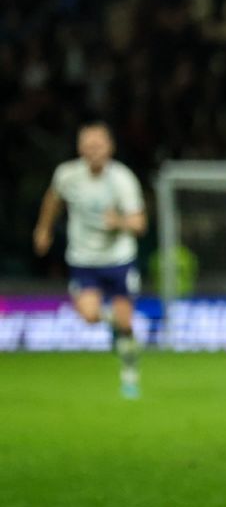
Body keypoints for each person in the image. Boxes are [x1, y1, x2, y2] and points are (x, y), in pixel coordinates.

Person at [33, 123, 147, 399]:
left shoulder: (122, 179)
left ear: (110, 148)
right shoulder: (67, 175)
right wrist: (44, 228)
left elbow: (140, 223)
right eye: (88, 145)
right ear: (80, 148)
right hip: (83, 258)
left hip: (118, 258)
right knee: (88, 315)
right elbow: (53, 198)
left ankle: (129, 373)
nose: (93, 151)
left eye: (99, 145)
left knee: (126, 323)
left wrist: (118, 221)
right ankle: (111, 324)